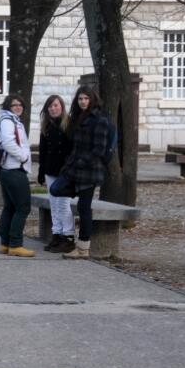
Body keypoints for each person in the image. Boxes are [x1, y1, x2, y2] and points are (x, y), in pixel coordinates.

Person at [59, 86, 113, 259]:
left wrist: (81, 162)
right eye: (80, 99)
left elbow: (99, 150)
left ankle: (83, 248)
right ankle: (79, 246)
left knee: (84, 208)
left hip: (89, 170)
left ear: (92, 100)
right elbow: (75, 147)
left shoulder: (99, 120)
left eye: (86, 98)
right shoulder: (78, 118)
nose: (83, 102)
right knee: (58, 191)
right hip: (76, 169)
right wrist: (69, 165)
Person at [0, 93, 34, 257]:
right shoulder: (7, 121)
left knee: (10, 207)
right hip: (13, 169)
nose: (18, 107)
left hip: (9, 169)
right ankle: (15, 244)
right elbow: (8, 143)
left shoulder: (11, 120)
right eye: (14, 105)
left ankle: (5, 243)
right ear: (8, 107)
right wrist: (23, 157)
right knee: (23, 207)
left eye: (20, 105)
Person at [37, 95, 75, 253]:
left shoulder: (69, 124)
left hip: (65, 171)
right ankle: (57, 234)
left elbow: (73, 149)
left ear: (62, 106)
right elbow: (43, 151)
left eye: (55, 105)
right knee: (54, 204)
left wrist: (70, 169)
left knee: (63, 204)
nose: (53, 109)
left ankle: (68, 236)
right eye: (50, 106)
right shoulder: (46, 127)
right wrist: (41, 172)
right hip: (50, 170)